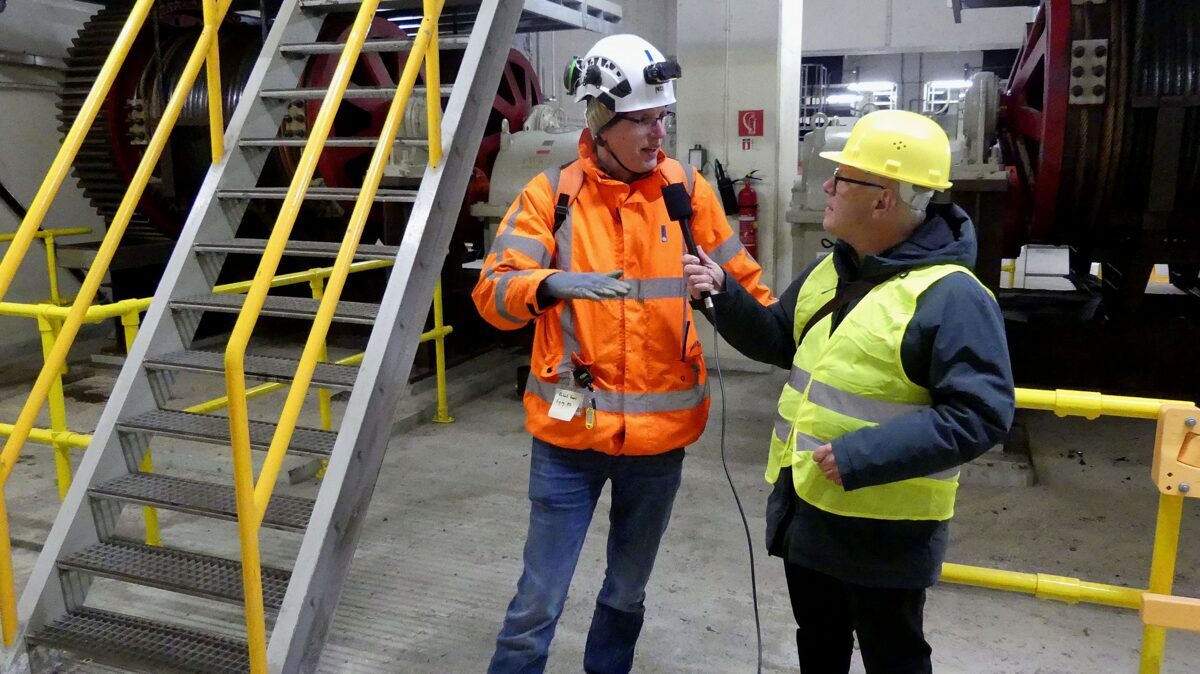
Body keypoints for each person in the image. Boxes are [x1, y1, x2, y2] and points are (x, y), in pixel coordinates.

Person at [471, 33, 774, 674]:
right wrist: (547, 284)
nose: (655, 132)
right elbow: (491, 294)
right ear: (600, 120)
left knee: (626, 591)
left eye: (661, 116)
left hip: (659, 444)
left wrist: (723, 293)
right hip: (568, 435)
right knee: (538, 599)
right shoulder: (549, 198)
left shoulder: (688, 195)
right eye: (639, 118)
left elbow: (754, 296)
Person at [683, 109, 1015, 673]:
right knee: (818, 642)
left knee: (894, 656)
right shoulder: (830, 270)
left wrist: (863, 456)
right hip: (809, 514)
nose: (828, 187)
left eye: (843, 179)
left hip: (886, 536)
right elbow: (779, 340)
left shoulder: (952, 297)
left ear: (884, 199)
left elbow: (980, 414)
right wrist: (724, 296)